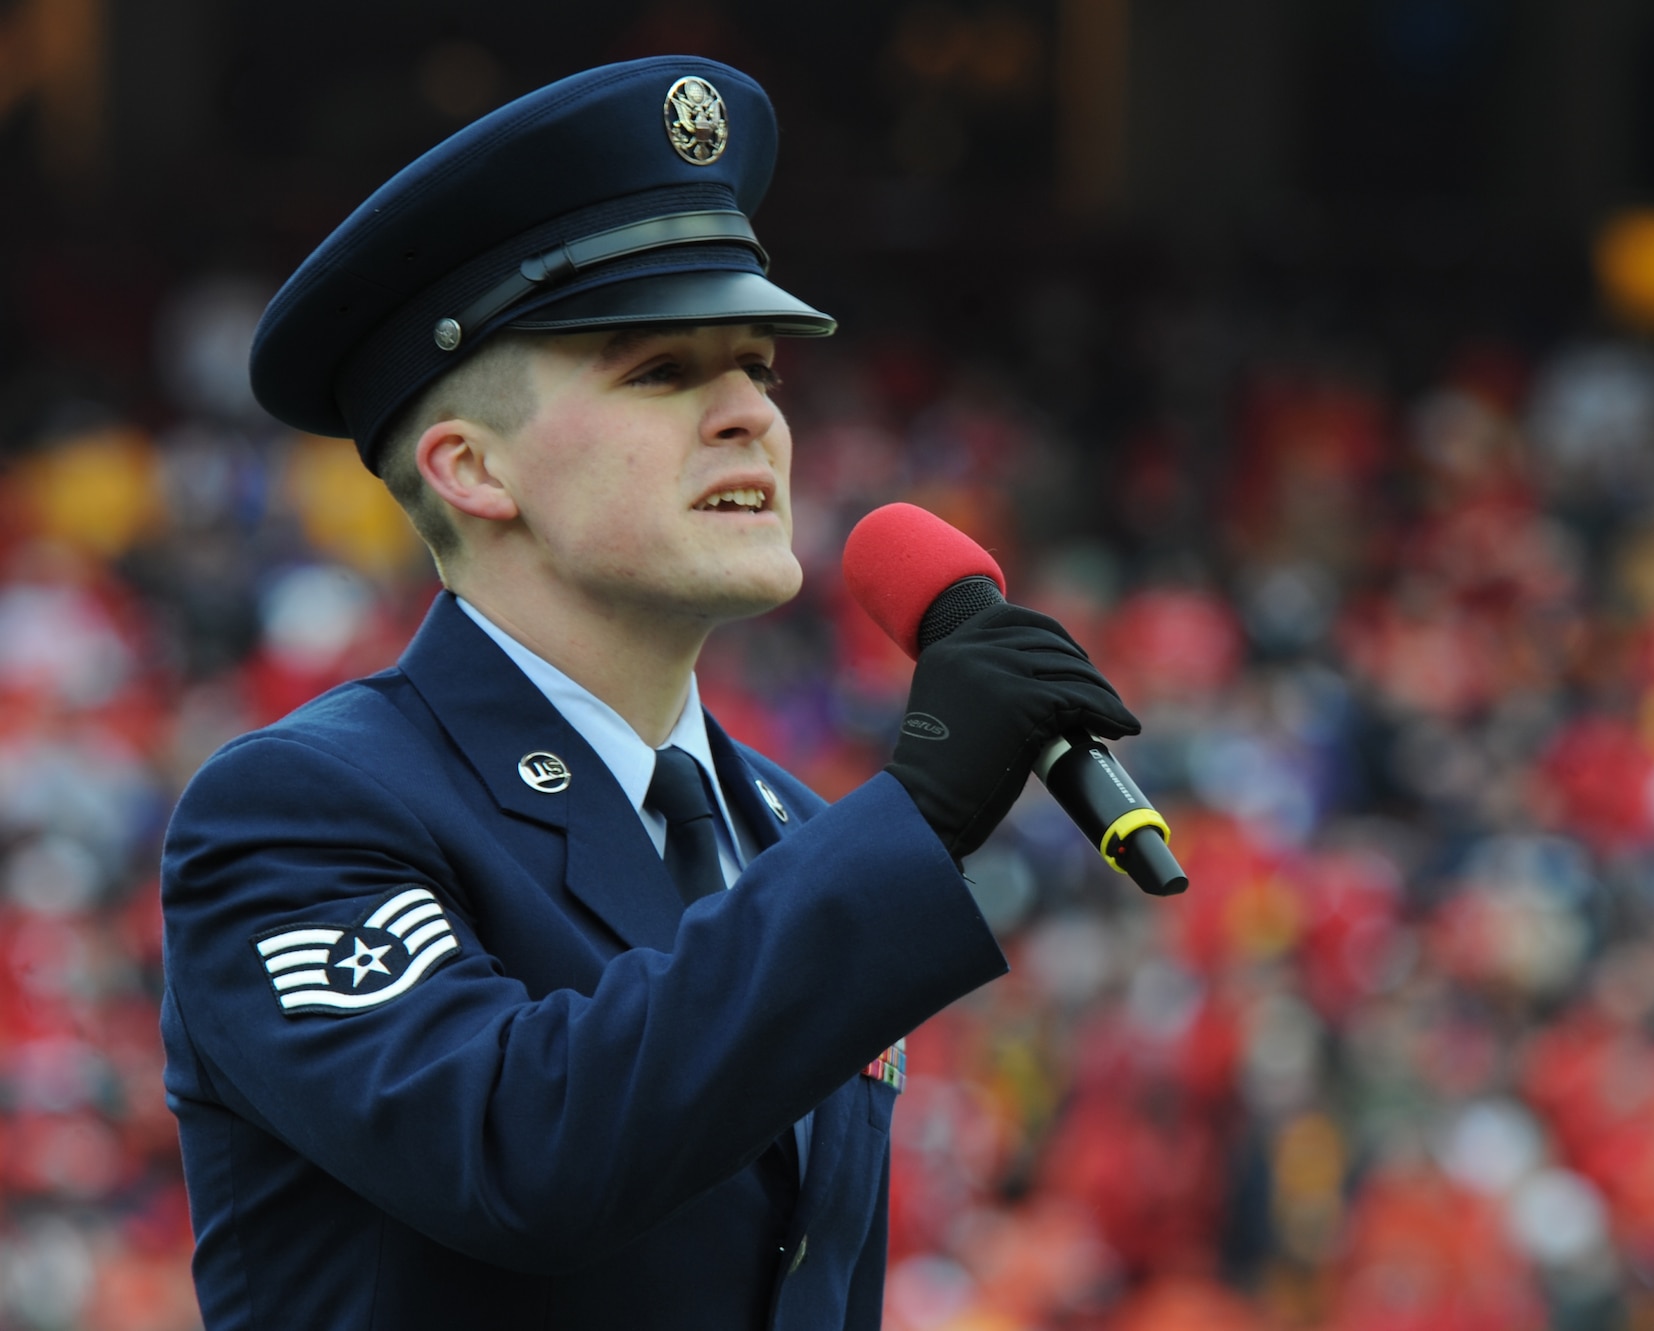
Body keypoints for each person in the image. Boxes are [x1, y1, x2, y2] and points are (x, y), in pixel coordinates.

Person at [159, 56, 1140, 1330]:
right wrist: (912, 818)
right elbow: (521, 1151)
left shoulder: (788, 827)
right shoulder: (298, 810)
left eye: (760, 368)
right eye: (662, 372)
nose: (751, 415)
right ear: (469, 467)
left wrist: (878, 836)